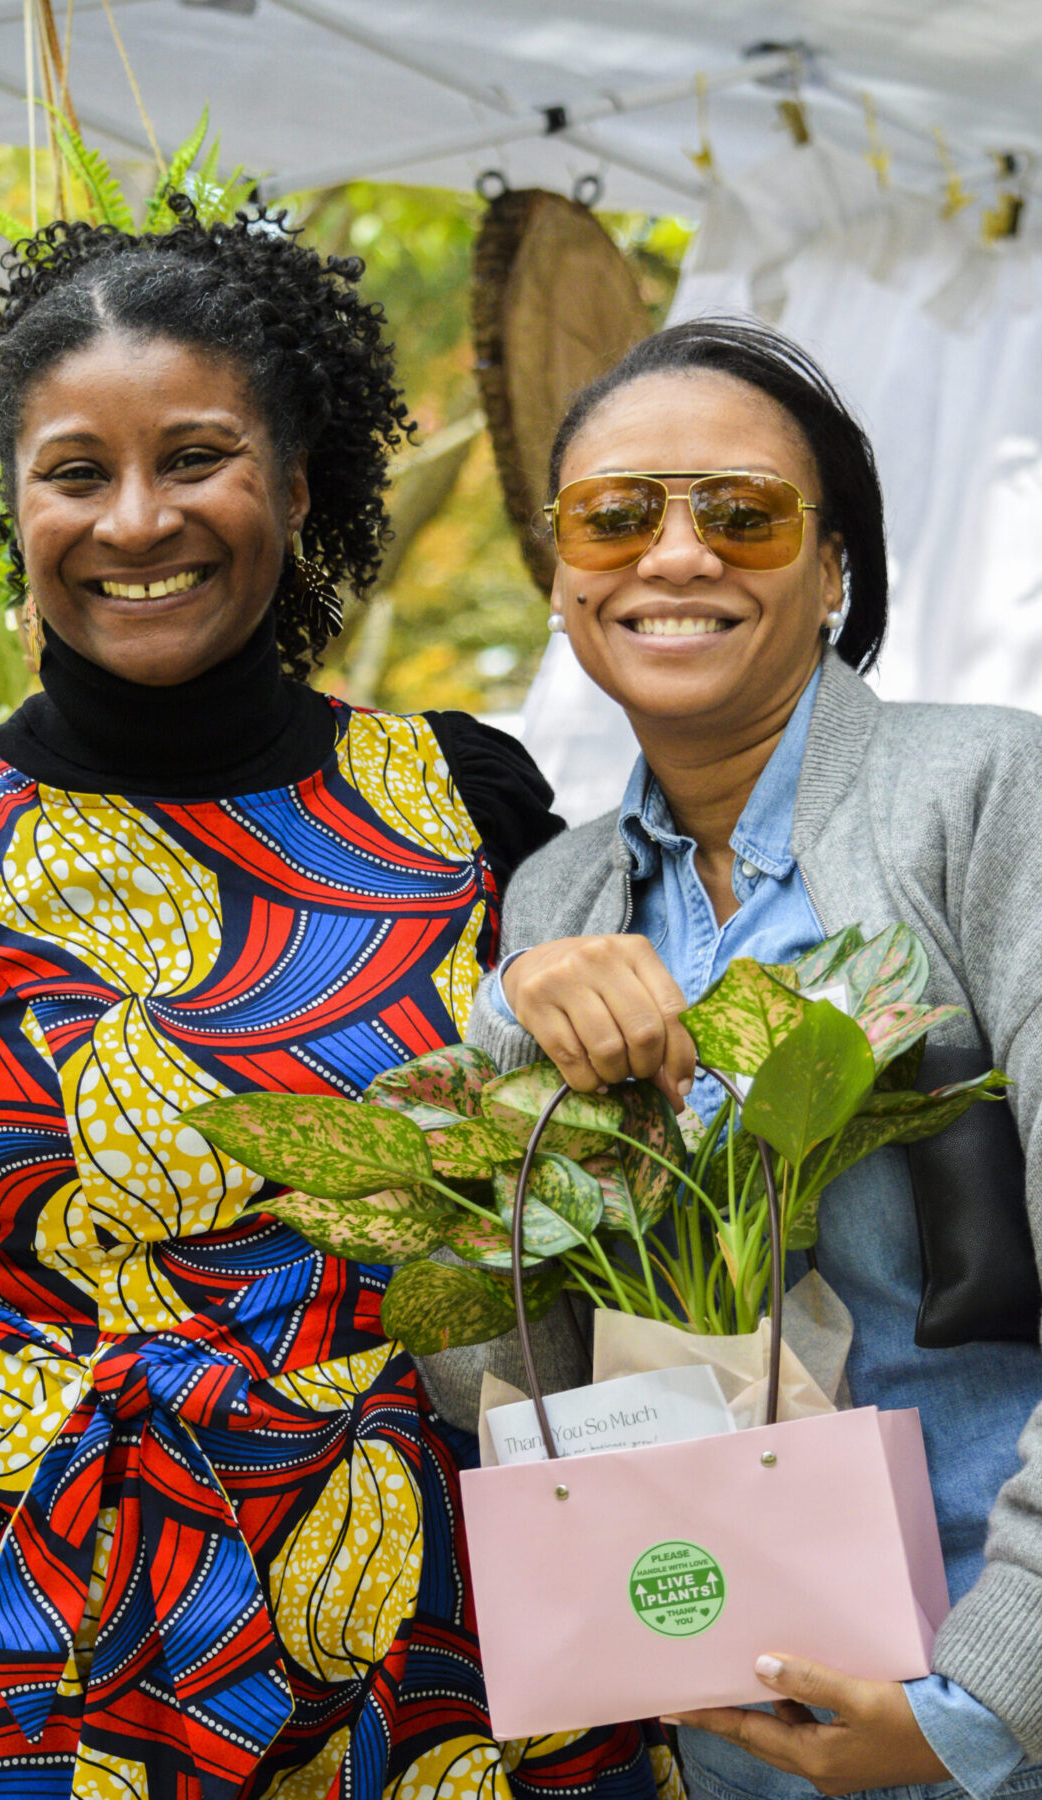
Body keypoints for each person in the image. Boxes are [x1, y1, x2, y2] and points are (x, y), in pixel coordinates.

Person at [0, 200, 671, 1800]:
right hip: (26, 1632)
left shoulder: (464, 803)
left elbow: (601, 1218)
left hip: (440, 1620)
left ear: (294, 486)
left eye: (197, 458)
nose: (135, 519)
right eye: (75, 471)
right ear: (15, 507)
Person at [452, 318, 1042, 1800]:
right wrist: (509, 1038)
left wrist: (985, 1700)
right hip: (723, 1720)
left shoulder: (988, 797)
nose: (675, 554)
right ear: (564, 575)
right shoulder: (558, 898)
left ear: (832, 568)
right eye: (614, 515)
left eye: (743, 512)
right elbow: (506, 1376)